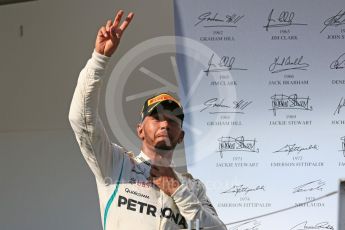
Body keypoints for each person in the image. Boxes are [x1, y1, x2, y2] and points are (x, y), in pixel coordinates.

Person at [69, 9, 227, 230]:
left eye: (173, 120)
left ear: (181, 136)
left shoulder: (192, 187)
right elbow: (81, 119)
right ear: (140, 130)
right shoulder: (116, 164)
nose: (165, 124)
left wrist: (177, 190)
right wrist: (99, 59)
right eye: (156, 117)